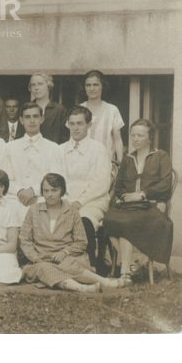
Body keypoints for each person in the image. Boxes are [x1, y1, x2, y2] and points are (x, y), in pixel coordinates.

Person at [20, 173, 126, 291]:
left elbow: (81, 242)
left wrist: (65, 252)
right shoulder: (34, 210)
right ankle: (81, 288)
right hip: (41, 259)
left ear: (62, 191)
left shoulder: (72, 211)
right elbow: (24, 239)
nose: (49, 195)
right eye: (46, 191)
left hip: (67, 258)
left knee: (68, 265)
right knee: (45, 268)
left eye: (54, 190)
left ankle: (105, 282)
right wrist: (35, 257)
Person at [104, 119, 173, 282]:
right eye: (133, 135)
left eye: (140, 135)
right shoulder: (128, 159)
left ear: (150, 138)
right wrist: (122, 197)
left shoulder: (161, 156)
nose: (135, 139)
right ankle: (136, 262)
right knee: (108, 220)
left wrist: (143, 194)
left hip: (150, 206)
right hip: (128, 207)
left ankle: (125, 273)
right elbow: (119, 185)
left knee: (126, 225)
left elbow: (166, 184)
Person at [59, 106, 112, 267]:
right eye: (72, 123)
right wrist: (66, 200)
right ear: (68, 124)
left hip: (92, 201)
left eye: (80, 123)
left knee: (84, 220)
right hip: (66, 200)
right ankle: (61, 264)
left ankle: (90, 265)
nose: (76, 128)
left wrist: (80, 202)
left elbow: (101, 182)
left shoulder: (98, 149)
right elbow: (57, 179)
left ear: (89, 125)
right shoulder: (60, 150)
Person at [2, 102, 62, 217]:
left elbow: (55, 179)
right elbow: (5, 179)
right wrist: (20, 191)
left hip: (42, 198)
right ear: (21, 120)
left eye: (35, 116)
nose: (32, 120)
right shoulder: (10, 147)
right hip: (14, 198)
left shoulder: (53, 148)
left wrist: (33, 191)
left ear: (42, 119)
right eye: (27, 117)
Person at [80, 69, 124, 164]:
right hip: (82, 163)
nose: (92, 88)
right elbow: (72, 138)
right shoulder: (78, 109)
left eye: (95, 85)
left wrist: (120, 163)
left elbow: (118, 140)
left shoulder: (112, 110)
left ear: (102, 86)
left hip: (105, 164)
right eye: (88, 85)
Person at [29, 72, 68, 144]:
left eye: (40, 84)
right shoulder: (27, 109)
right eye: (33, 85)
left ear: (48, 86)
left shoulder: (59, 109)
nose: (36, 88)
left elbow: (65, 137)